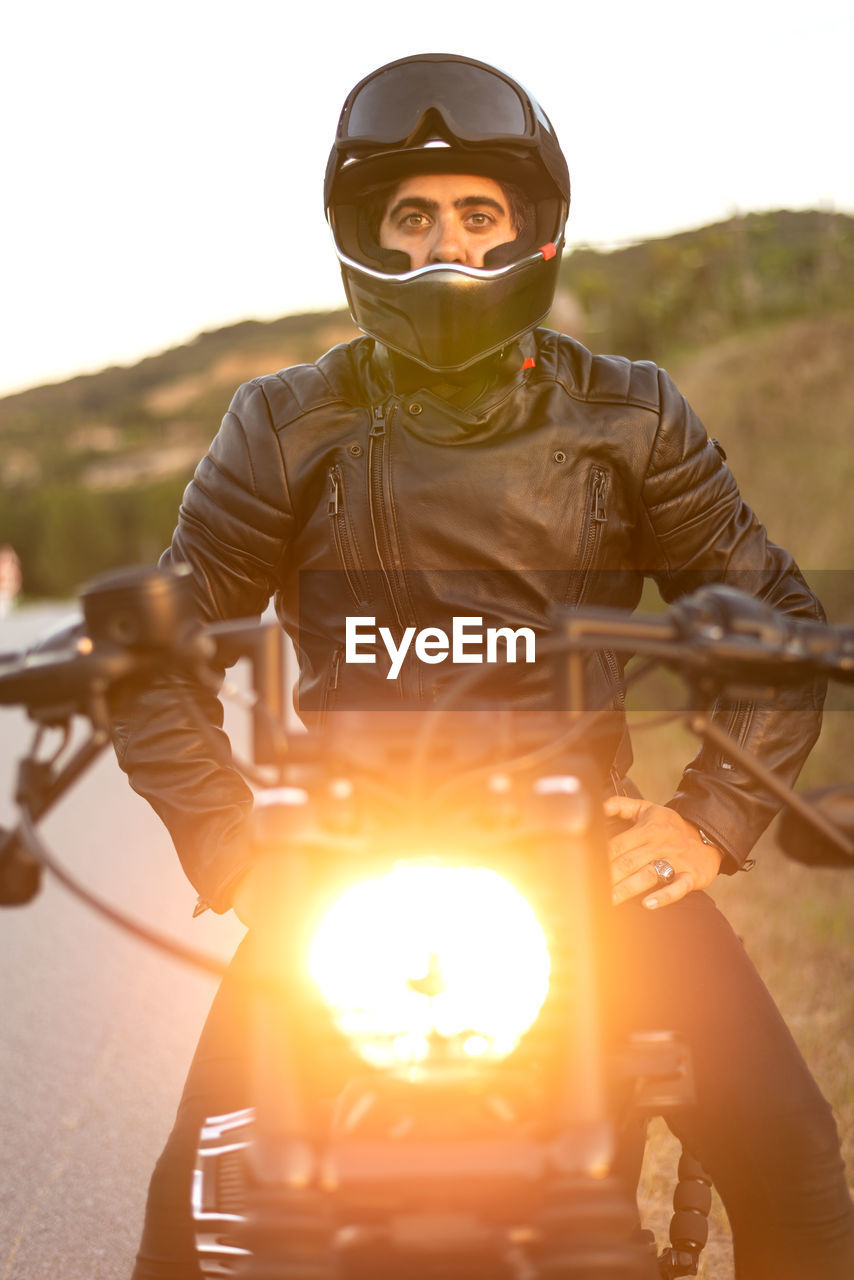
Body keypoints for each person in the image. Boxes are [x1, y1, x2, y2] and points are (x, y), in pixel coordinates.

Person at [114, 53, 854, 1279]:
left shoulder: (632, 415)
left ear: (530, 229)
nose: (440, 245)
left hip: (587, 872)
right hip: (335, 885)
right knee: (192, 1214)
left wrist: (709, 820)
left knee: (793, 1159)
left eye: (473, 212)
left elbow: (768, 611)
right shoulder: (282, 420)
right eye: (408, 215)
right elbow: (156, 652)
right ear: (365, 235)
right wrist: (237, 845)